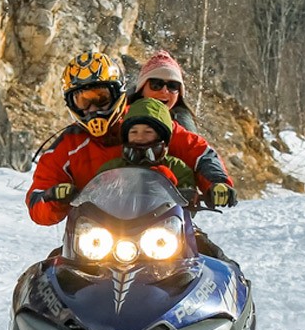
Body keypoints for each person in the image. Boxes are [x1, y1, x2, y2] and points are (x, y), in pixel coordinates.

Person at [26, 52, 236, 226]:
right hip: (97, 236)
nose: (93, 110)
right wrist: (54, 198)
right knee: (46, 273)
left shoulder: (145, 121)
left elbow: (198, 150)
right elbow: (37, 201)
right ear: (71, 105)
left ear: (117, 93)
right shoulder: (67, 145)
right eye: (83, 102)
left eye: (101, 98)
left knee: (215, 265)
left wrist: (217, 183)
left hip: (163, 227)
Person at [96, 98, 198, 201]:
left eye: (148, 132)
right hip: (118, 215)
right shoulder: (112, 168)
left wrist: (172, 189)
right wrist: (108, 186)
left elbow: (189, 204)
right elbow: (94, 197)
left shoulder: (176, 168)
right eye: (134, 132)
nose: (140, 137)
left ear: (161, 136)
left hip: (163, 216)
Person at [128, 50, 198, 132]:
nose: (164, 91)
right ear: (142, 88)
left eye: (172, 86)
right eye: (156, 85)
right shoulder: (118, 113)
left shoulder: (183, 127)